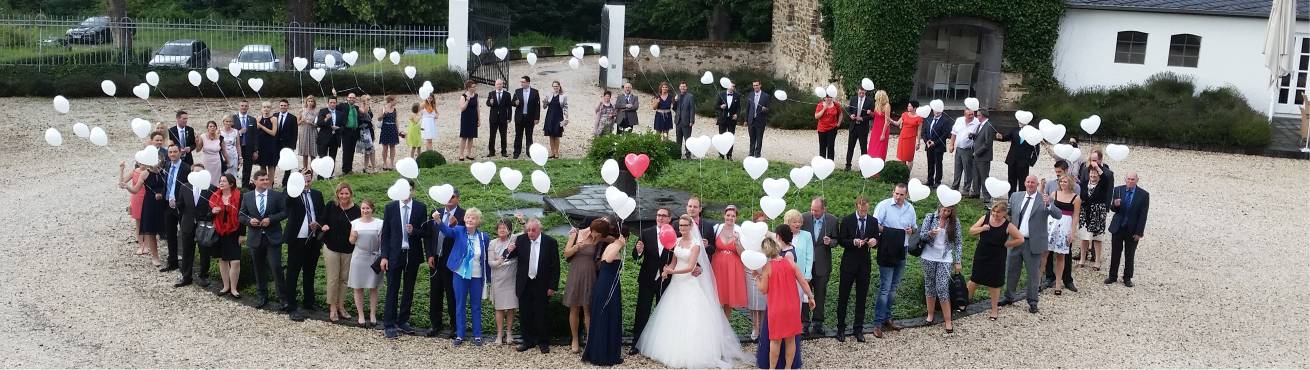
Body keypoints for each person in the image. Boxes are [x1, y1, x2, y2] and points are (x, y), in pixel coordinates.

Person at [635, 215, 748, 368]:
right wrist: (667, 270)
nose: (682, 228)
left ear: (691, 226)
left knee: (692, 315)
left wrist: (673, 273)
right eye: (680, 226)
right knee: (673, 315)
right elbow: (674, 261)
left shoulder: (696, 244)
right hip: (676, 284)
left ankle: (694, 351)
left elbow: (690, 267)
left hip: (688, 282)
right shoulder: (677, 241)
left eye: (685, 226)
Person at [754, 235, 816, 370]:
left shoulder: (767, 267)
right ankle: (788, 368)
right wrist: (811, 297)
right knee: (791, 339)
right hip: (792, 307)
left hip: (776, 308)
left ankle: (772, 368)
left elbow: (763, 290)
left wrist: (756, 279)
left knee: (775, 341)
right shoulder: (790, 262)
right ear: (777, 247)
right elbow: (803, 282)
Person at [1003, 175, 1062, 313]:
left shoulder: (1044, 199)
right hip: (1016, 240)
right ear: (1024, 183)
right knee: (1011, 270)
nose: (1030, 184)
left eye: (1033, 182)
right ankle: (1009, 296)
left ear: (1037, 185)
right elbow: (1008, 212)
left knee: (1033, 274)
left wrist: (1049, 204)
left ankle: (1033, 301)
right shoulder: (1016, 196)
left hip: (1033, 243)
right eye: (1028, 182)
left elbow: (1058, 215)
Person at [432, 207, 491, 346]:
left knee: (476, 305)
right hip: (460, 274)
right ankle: (460, 334)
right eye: (468, 217)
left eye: (473, 218)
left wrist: (488, 277)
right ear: (464, 219)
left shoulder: (484, 237)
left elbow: (485, 258)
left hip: (477, 275)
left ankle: (477, 335)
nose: (470, 219)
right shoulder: (458, 230)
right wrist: (438, 221)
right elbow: (446, 231)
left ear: (478, 221)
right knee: (460, 305)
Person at [379, 179, 428, 339]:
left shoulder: (421, 207)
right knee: (392, 289)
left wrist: (415, 231)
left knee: (409, 289)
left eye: (409, 189)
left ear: (413, 191)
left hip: (412, 255)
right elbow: (385, 234)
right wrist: (384, 256)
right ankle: (389, 323)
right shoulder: (390, 207)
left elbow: (425, 232)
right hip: (394, 255)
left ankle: (403, 320)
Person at [239, 170, 290, 311]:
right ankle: (262, 297)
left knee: (276, 267)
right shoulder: (247, 196)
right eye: (262, 179)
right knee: (258, 269)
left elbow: (285, 212)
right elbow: (241, 215)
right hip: (255, 238)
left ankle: (283, 299)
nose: (266, 182)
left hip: (273, 238)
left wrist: (271, 219)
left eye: (267, 179)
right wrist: (250, 221)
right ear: (255, 181)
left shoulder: (277, 195)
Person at [968, 202, 1026, 320]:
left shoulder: (1008, 225)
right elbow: (971, 231)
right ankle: (964, 302)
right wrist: (982, 228)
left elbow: (1020, 239)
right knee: (974, 280)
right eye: (993, 211)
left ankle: (994, 310)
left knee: (994, 284)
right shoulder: (985, 218)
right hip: (981, 254)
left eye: (998, 212)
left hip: (997, 257)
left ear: (1004, 213)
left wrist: (1008, 244)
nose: (995, 214)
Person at [510, 218, 560, 353]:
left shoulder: (550, 242)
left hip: (541, 283)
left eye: (533, 230)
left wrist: (552, 286)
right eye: (528, 230)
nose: (530, 233)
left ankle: (543, 342)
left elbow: (555, 266)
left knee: (541, 313)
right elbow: (510, 256)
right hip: (524, 282)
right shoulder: (521, 240)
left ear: (540, 230)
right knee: (525, 313)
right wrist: (509, 249)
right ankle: (528, 341)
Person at [873, 183, 916, 338]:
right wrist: (890, 231)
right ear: (893, 192)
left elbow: (914, 227)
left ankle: (887, 317)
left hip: (902, 249)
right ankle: (877, 323)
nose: (898, 197)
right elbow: (874, 225)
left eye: (901, 195)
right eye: (896, 194)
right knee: (885, 288)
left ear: (906, 195)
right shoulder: (884, 205)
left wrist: (912, 230)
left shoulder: (910, 208)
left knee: (894, 287)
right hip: (887, 248)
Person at [631, 208, 675, 354]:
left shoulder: (675, 235)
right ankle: (636, 344)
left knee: (663, 313)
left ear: (669, 219)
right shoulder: (647, 232)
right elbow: (636, 256)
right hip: (647, 279)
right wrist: (638, 250)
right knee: (642, 312)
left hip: (666, 279)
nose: (660, 218)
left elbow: (679, 255)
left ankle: (662, 345)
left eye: (664, 216)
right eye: (658, 215)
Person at [583, 220, 626, 366]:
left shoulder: (611, 244)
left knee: (606, 316)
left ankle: (602, 351)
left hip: (607, 283)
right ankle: (603, 354)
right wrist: (619, 244)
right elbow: (608, 260)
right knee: (608, 316)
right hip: (608, 286)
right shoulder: (614, 246)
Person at [834, 196, 877, 342]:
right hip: (848, 263)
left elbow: (876, 239)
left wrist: (873, 242)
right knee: (843, 296)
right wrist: (853, 241)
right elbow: (841, 240)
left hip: (864, 264)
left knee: (861, 298)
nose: (863, 212)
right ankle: (840, 328)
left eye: (865, 210)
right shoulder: (847, 220)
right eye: (861, 210)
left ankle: (858, 329)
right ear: (856, 207)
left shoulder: (873, 221)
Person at [284, 171, 325, 321]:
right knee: (293, 272)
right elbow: (286, 204)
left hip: (313, 238)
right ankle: (291, 304)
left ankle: (309, 301)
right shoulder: (293, 194)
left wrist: (318, 223)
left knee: (310, 271)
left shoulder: (317, 194)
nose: (306, 185)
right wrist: (293, 186)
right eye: (304, 182)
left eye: (308, 181)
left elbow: (322, 212)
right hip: (297, 239)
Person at [918, 205, 962, 333]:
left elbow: (958, 242)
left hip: (945, 258)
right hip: (928, 257)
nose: (945, 213)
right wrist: (930, 233)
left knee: (942, 287)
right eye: (944, 210)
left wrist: (958, 260)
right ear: (939, 207)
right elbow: (922, 236)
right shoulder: (929, 217)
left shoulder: (955, 222)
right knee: (929, 285)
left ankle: (948, 320)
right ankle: (930, 315)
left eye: (948, 211)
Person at [426, 192, 463, 338]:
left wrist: (457, 225)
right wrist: (429, 254)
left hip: (452, 261)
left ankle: (455, 326)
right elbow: (429, 235)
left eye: (452, 197)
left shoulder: (463, 214)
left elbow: (465, 236)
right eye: (447, 196)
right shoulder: (436, 212)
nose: (449, 199)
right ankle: (436, 324)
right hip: (435, 259)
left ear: (458, 198)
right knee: (435, 293)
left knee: (452, 294)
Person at [562, 219, 601, 353]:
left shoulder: (598, 237)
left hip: (590, 274)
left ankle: (590, 339)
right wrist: (577, 246)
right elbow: (566, 253)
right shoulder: (575, 234)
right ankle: (575, 339)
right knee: (574, 308)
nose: (595, 231)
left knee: (587, 309)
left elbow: (611, 239)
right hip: (575, 273)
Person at [1043, 160, 1082, 292]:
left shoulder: (1076, 190)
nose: (1059, 176)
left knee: (1064, 254)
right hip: (1052, 223)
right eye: (1057, 174)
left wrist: (1073, 231)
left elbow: (1076, 214)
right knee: (1046, 252)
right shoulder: (1051, 186)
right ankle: (1048, 277)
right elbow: (1046, 204)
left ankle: (1066, 280)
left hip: (1066, 225)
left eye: (1060, 173)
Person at [325, 182, 362, 323]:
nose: (344, 196)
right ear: (337, 194)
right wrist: (325, 225)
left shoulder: (356, 210)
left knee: (344, 279)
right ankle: (332, 307)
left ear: (351, 194)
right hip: (331, 247)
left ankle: (341, 305)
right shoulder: (331, 206)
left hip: (348, 249)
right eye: (341, 193)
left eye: (346, 193)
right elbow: (322, 220)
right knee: (333, 278)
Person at [1105, 172, 1149, 287]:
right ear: (1125, 179)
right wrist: (1115, 204)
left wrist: (1139, 232)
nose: (1130, 181)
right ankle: (1112, 276)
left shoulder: (1143, 195)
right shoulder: (1118, 190)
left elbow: (1143, 215)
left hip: (1132, 229)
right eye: (1128, 179)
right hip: (1118, 227)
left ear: (1137, 180)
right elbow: (1113, 209)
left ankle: (1127, 277)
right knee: (1115, 253)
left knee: (1130, 255)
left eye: (1132, 179)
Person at [175, 163, 216, 288]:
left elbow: (213, 206)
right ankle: (186, 276)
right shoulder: (185, 187)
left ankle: (204, 276)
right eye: (195, 172)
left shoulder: (211, 188)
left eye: (200, 172)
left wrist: (208, 217)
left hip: (204, 224)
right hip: (187, 223)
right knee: (187, 250)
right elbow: (181, 205)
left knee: (204, 251)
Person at [801, 197, 837, 335]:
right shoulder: (804, 218)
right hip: (806, 265)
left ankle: (818, 323)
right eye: (812, 209)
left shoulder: (832, 220)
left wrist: (831, 242)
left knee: (820, 295)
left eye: (816, 210)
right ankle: (804, 324)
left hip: (822, 265)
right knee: (805, 295)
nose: (813, 212)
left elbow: (837, 240)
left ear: (824, 209)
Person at [488, 216, 522, 345]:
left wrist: (521, 220)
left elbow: (527, 231)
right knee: (499, 308)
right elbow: (491, 263)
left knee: (511, 307)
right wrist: (503, 258)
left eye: (505, 228)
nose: (502, 230)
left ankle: (509, 333)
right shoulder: (492, 243)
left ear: (510, 230)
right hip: (498, 278)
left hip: (511, 277)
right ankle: (499, 334)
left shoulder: (513, 239)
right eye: (500, 227)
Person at [1078, 149, 1113, 270]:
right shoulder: (1084, 183)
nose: (1093, 175)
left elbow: (1105, 177)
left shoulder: (1103, 183)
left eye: (1095, 174)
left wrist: (1097, 167)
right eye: (1091, 174)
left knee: (1097, 238)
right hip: (1085, 212)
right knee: (1084, 237)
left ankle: (1097, 261)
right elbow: (1080, 195)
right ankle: (1082, 259)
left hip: (1098, 213)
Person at [208, 174, 242, 298]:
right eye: (220, 181)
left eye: (224, 181)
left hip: (234, 232)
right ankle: (225, 286)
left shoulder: (239, 196)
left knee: (235, 261)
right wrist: (212, 212)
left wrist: (242, 234)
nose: (221, 183)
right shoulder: (215, 196)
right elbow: (207, 216)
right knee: (223, 260)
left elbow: (243, 216)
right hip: (219, 232)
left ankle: (234, 288)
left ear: (231, 184)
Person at [347, 199, 380, 326]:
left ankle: (372, 314)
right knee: (358, 286)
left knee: (373, 287)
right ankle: (360, 315)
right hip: (359, 257)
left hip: (373, 257)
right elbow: (351, 241)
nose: (365, 210)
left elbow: (382, 241)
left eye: (367, 208)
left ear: (372, 209)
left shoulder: (379, 223)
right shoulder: (355, 223)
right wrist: (354, 236)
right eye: (363, 208)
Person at [784, 210, 816, 333]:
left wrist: (808, 274)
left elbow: (809, 256)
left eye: (799, 222)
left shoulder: (806, 235)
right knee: (787, 302)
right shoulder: (784, 235)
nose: (797, 224)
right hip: (786, 275)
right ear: (788, 223)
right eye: (794, 222)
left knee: (799, 302)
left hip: (801, 275)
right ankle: (787, 326)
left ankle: (797, 327)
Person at [711, 206, 748, 316]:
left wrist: (737, 242)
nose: (730, 218)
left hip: (733, 267)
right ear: (724, 216)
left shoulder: (740, 231)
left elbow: (743, 254)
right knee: (715, 296)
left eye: (733, 216)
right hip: (717, 266)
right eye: (728, 215)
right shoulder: (717, 228)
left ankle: (726, 324)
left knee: (728, 298)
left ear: (736, 218)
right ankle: (715, 322)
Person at [162, 144, 190, 273]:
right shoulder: (167, 165)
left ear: (180, 153)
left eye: (175, 152)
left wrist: (180, 202)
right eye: (170, 152)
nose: (172, 154)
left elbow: (188, 188)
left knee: (184, 235)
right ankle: (172, 261)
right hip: (168, 204)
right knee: (170, 234)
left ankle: (185, 264)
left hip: (181, 205)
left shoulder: (186, 168)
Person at [997, 115, 1040, 194]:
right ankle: (1011, 199)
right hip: (1012, 161)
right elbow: (1006, 137)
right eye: (1018, 121)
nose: (1019, 122)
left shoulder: (1033, 133)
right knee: (1011, 182)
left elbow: (1036, 150)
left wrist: (1031, 162)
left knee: (1023, 183)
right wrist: (1001, 137)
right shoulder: (1014, 130)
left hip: (1024, 162)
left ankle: (1021, 199)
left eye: (1021, 121)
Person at [745, 211, 770, 339]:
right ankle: (755, 326)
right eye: (759, 222)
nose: (762, 225)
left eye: (764, 222)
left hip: (766, 271)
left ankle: (764, 327)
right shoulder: (749, 237)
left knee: (764, 302)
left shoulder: (769, 238)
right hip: (751, 271)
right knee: (753, 302)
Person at [921, 106, 953, 187]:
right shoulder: (928, 119)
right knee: (930, 163)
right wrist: (926, 141)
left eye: (939, 110)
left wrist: (934, 143)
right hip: (928, 145)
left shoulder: (945, 121)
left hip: (938, 146)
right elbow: (924, 132)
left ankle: (937, 181)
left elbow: (945, 134)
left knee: (938, 163)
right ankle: (930, 180)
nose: (937, 112)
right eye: (935, 110)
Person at [511, 76, 542, 159]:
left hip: (530, 118)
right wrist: (515, 103)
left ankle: (529, 152)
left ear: (528, 83)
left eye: (523, 82)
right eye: (521, 82)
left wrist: (537, 118)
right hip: (519, 117)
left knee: (529, 136)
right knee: (518, 136)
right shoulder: (517, 91)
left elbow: (537, 106)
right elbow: (512, 102)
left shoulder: (535, 92)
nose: (521, 83)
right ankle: (516, 152)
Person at [844, 87, 873, 171]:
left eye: (862, 93)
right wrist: (851, 115)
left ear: (865, 92)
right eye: (860, 93)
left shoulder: (870, 101)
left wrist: (863, 118)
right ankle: (848, 166)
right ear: (857, 91)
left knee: (863, 148)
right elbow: (849, 110)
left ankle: (863, 168)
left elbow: (872, 116)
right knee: (850, 147)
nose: (861, 95)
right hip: (853, 127)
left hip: (863, 128)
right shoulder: (853, 99)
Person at [971, 109, 998, 202]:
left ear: (982, 116)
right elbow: (979, 137)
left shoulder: (989, 126)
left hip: (983, 156)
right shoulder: (980, 125)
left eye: (978, 115)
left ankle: (987, 197)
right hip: (976, 155)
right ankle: (976, 192)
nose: (977, 117)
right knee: (976, 175)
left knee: (984, 177)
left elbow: (988, 143)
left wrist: (977, 152)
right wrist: (973, 136)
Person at [950, 109, 978, 194]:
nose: (971, 116)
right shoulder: (959, 120)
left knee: (967, 170)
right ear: (965, 115)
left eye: (972, 114)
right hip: (958, 148)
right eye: (969, 114)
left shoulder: (977, 122)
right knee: (957, 168)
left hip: (968, 149)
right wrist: (951, 144)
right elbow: (954, 133)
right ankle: (955, 186)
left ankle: (966, 189)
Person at [892, 101, 923, 172]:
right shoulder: (904, 114)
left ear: (915, 108)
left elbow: (919, 131)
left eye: (910, 106)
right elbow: (897, 123)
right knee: (902, 158)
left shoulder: (919, 118)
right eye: (908, 106)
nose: (908, 107)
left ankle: (908, 174)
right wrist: (890, 120)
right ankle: (903, 174)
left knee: (909, 158)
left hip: (911, 139)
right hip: (902, 138)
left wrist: (918, 142)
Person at [254, 102, 280, 183]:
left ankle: (270, 184)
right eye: (264, 107)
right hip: (261, 145)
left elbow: (273, 133)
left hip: (270, 145)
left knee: (271, 166)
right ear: (261, 108)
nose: (266, 109)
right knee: (262, 165)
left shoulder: (274, 119)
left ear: (270, 108)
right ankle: (263, 182)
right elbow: (255, 133)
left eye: (268, 107)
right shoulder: (258, 118)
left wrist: (261, 126)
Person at [233, 100, 257, 188]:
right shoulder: (233, 118)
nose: (244, 107)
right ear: (239, 107)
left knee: (247, 169)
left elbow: (255, 136)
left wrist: (255, 150)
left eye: (245, 106)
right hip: (236, 148)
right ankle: (233, 187)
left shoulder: (252, 119)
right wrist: (239, 132)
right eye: (242, 105)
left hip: (249, 148)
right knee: (235, 167)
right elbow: (229, 134)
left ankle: (245, 188)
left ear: (248, 107)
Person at [337, 93, 363, 175]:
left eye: (353, 98)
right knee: (346, 150)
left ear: (355, 99)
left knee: (352, 150)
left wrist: (365, 102)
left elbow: (364, 112)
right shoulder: (343, 106)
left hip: (354, 131)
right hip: (346, 131)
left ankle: (350, 169)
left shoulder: (356, 108)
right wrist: (334, 95)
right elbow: (334, 105)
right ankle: (345, 170)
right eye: (350, 97)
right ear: (347, 98)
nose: (352, 99)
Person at [542, 80, 569, 158]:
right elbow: (544, 107)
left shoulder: (563, 96)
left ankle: (557, 152)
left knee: (556, 135)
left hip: (558, 117)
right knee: (550, 135)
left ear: (559, 86)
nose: (555, 87)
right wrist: (544, 102)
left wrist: (566, 118)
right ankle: (552, 152)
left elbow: (565, 107)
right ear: (552, 87)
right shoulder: (549, 95)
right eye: (554, 86)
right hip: (550, 116)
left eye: (556, 86)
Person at [745, 81, 772, 158]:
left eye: (757, 85)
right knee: (752, 138)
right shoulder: (750, 95)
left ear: (760, 85)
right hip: (751, 120)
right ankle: (751, 154)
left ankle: (757, 155)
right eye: (754, 85)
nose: (755, 87)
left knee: (759, 139)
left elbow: (769, 109)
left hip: (760, 121)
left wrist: (765, 109)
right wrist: (746, 120)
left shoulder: (765, 96)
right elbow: (748, 108)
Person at [486, 79, 512, 157]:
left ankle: (504, 151)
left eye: (500, 84)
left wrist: (509, 117)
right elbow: (487, 103)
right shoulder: (491, 94)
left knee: (503, 135)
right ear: (495, 85)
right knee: (492, 135)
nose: (499, 86)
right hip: (493, 118)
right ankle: (491, 151)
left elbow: (509, 107)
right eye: (498, 84)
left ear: (502, 85)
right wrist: (490, 103)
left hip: (503, 118)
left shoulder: (507, 94)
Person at [275, 99, 299, 185]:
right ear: (279, 106)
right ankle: (272, 181)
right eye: (281, 105)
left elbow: (295, 133)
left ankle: (285, 181)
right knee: (274, 162)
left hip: (287, 144)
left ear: (288, 106)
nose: (283, 107)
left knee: (288, 164)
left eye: (285, 105)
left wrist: (292, 147)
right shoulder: (274, 116)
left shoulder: (292, 118)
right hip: (275, 144)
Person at [316, 96, 341, 172]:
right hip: (324, 138)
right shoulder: (322, 111)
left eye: (334, 103)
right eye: (331, 102)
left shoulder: (340, 113)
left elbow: (343, 125)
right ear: (328, 103)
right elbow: (319, 124)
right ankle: (321, 176)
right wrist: (326, 119)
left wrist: (338, 128)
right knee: (322, 157)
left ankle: (330, 175)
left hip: (335, 138)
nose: (332, 104)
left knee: (332, 158)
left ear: (336, 103)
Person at [716, 83, 741, 159]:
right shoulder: (721, 94)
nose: (732, 88)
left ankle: (729, 155)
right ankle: (721, 155)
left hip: (732, 120)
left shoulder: (737, 95)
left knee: (730, 138)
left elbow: (739, 108)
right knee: (722, 138)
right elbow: (715, 106)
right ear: (727, 86)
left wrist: (737, 114)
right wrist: (720, 106)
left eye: (733, 86)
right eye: (731, 86)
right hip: (722, 119)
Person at [458, 81, 481, 161]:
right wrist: (467, 100)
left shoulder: (476, 96)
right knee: (464, 137)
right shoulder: (463, 96)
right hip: (466, 118)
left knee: (471, 137)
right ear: (468, 88)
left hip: (473, 118)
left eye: (475, 86)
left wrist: (479, 119)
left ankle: (469, 153)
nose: (475, 88)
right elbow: (462, 108)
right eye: (473, 87)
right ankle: (461, 154)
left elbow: (477, 107)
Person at [865, 90, 892, 160]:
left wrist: (883, 134)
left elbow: (887, 121)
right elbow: (875, 115)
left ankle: (879, 166)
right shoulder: (877, 104)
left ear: (881, 98)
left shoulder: (887, 106)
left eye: (877, 98)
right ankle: (871, 164)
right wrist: (870, 113)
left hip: (883, 129)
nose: (875, 99)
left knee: (881, 148)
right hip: (875, 128)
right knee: (873, 146)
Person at [198, 121, 225, 187]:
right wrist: (197, 142)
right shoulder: (203, 137)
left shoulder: (220, 137)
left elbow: (224, 151)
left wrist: (228, 161)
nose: (212, 128)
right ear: (207, 128)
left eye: (214, 126)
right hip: (206, 161)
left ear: (216, 128)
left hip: (216, 162)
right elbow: (198, 149)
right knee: (206, 178)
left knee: (216, 179)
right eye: (210, 126)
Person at [673, 81, 696, 158]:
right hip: (678, 121)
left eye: (684, 86)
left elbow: (692, 109)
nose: (682, 88)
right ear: (679, 88)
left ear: (686, 87)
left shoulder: (690, 96)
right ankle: (677, 155)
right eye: (681, 86)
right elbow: (674, 108)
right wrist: (675, 101)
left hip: (686, 121)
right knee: (678, 139)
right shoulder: (677, 96)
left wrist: (691, 121)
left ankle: (688, 155)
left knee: (687, 139)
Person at [814, 94, 841, 160]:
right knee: (822, 147)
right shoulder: (820, 105)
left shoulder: (836, 105)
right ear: (824, 98)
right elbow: (816, 116)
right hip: (822, 129)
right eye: (827, 97)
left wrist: (838, 124)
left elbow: (840, 114)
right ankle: (822, 164)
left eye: (830, 97)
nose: (829, 99)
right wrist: (824, 109)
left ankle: (830, 164)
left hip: (832, 129)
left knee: (831, 147)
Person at [378, 95, 399, 170]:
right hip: (385, 128)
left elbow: (396, 120)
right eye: (395, 100)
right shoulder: (383, 108)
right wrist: (384, 114)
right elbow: (379, 119)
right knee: (385, 147)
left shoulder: (395, 109)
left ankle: (391, 163)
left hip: (393, 129)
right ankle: (384, 163)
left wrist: (398, 130)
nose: (396, 102)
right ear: (391, 101)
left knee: (392, 147)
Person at [357, 95, 377, 173]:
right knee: (371, 149)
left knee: (368, 150)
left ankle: (365, 167)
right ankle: (374, 167)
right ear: (362, 100)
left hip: (369, 130)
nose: (368, 100)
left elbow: (370, 117)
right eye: (367, 99)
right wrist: (366, 103)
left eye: (369, 99)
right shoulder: (360, 107)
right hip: (364, 131)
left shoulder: (367, 107)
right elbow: (365, 113)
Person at [298, 96, 319, 168]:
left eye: (312, 101)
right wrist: (302, 120)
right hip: (304, 132)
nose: (310, 103)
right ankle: (305, 170)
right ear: (306, 102)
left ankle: (313, 170)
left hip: (313, 132)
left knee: (313, 153)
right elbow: (297, 123)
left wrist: (311, 123)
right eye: (309, 101)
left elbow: (317, 125)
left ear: (314, 102)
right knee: (305, 153)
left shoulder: (317, 111)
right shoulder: (302, 110)